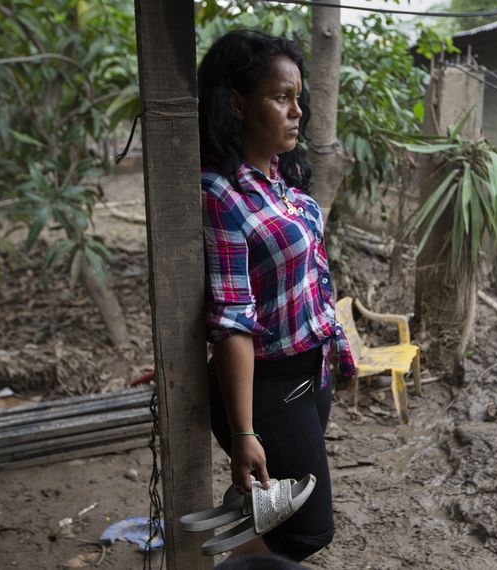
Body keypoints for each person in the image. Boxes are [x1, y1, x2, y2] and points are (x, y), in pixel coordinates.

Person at [198, 30, 357, 562]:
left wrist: (339, 350)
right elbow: (232, 322)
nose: (296, 112)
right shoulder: (220, 196)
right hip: (268, 384)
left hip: (313, 373)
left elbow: (315, 278)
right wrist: (243, 431)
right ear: (238, 103)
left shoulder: (283, 185)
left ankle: (247, 521)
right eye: (280, 97)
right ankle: (239, 547)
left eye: (298, 98)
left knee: (284, 512)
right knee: (307, 531)